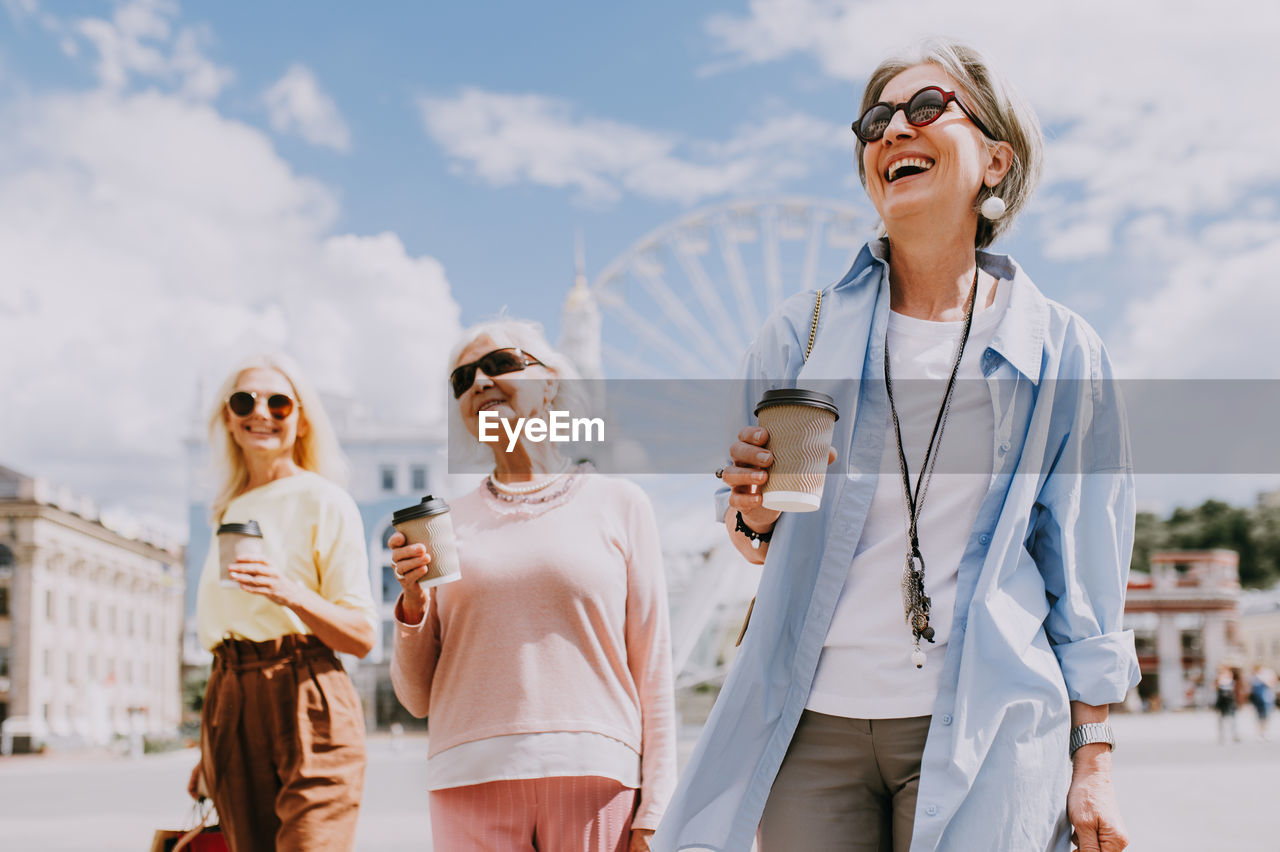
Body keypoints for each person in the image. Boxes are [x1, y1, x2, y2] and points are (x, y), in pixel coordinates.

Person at [655, 38, 1137, 852]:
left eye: (924, 109)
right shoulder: (797, 336)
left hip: (988, 725)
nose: (890, 131)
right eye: (875, 120)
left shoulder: (1063, 351)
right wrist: (751, 513)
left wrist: (1093, 761)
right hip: (814, 726)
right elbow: (753, 543)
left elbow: (1086, 575)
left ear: (995, 160)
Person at [389, 319, 677, 852]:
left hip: (596, 778)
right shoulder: (444, 526)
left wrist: (656, 810)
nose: (479, 382)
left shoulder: (621, 504)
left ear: (551, 384)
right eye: (463, 379)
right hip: (466, 778)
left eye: (500, 364)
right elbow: (416, 698)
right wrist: (413, 605)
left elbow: (653, 671)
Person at [186, 353, 377, 852]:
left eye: (279, 402)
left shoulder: (325, 500)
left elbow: (360, 635)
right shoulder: (226, 510)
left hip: (307, 689)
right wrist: (210, 748)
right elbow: (228, 628)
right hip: (228, 697)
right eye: (244, 400)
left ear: (302, 418)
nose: (261, 412)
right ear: (228, 418)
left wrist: (287, 589)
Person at [1248, 664, 1274, 740]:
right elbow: (1252, 691)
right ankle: (1260, 732)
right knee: (1260, 717)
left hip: (1266, 700)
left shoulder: (1263, 679)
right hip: (1259, 701)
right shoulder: (1255, 679)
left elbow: (1270, 685)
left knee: (1265, 717)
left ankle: (1264, 732)